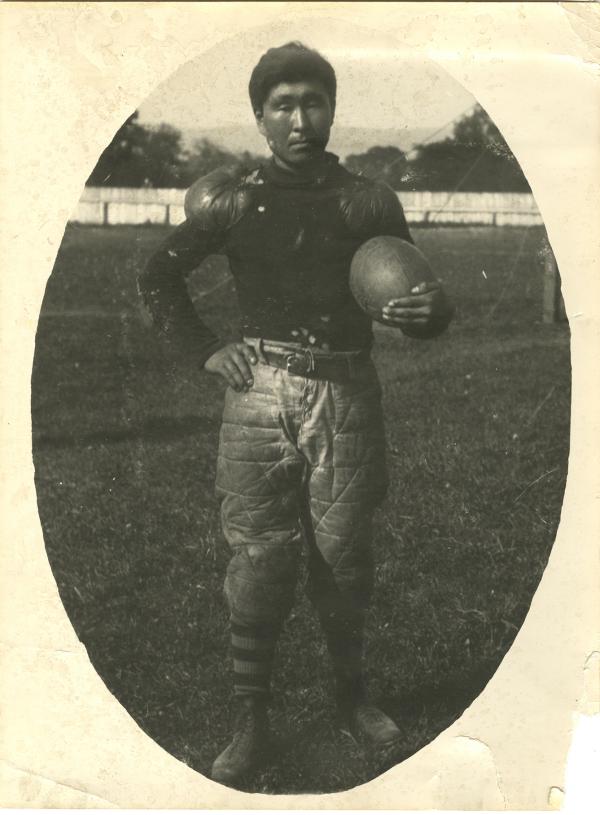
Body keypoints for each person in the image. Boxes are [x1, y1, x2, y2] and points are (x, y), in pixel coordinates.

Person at [138, 41, 453, 786]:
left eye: (313, 100)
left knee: (344, 557)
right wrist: (207, 349)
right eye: (283, 104)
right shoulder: (237, 198)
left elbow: (418, 298)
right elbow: (159, 275)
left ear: (332, 107)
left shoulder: (367, 199)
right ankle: (252, 717)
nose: (300, 117)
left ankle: (352, 699)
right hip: (259, 396)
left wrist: (429, 311)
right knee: (259, 556)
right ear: (260, 116)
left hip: (346, 391)